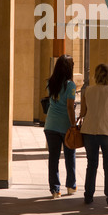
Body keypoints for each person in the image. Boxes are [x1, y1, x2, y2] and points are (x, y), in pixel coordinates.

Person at [80, 64, 108, 210]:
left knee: (91, 164)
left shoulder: (87, 90)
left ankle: (88, 195)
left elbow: (82, 113)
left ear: (95, 75)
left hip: (89, 130)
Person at [44, 55, 77, 199]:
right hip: (65, 126)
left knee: (53, 158)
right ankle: (71, 186)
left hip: (50, 125)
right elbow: (70, 107)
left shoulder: (52, 82)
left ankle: (55, 190)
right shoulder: (70, 85)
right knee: (70, 156)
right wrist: (73, 125)